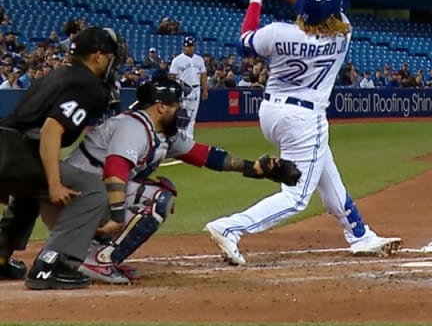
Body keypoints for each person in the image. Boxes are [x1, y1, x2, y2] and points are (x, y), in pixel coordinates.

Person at [204, 0, 402, 265]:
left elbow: (244, 42)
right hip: (305, 119)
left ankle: (360, 235)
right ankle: (231, 227)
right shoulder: (342, 35)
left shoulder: (277, 33)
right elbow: (303, 0)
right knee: (296, 196)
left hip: (271, 112)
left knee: (326, 172)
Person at [65, 79, 300, 284]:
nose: (181, 109)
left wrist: (253, 169)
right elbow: (115, 170)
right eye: (177, 104)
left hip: (89, 193)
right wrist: (117, 217)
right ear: (160, 107)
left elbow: (207, 156)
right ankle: (99, 260)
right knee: (157, 199)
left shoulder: (161, 133)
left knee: (149, 195)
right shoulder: (134, 127)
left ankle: (88, 249)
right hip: (75, 194)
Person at [0, 27, 125, 290]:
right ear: (98, 56)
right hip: (14, 153)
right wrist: (55, 184)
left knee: (30, 192)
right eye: (111, 57)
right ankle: (52, 264)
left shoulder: (59, 75)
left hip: (7, 148)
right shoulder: (88, 84)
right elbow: (51, 129)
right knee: (91, 191)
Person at [168, 35, 207, 141]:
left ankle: (189, 137)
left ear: (194, 46)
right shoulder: (177, 60)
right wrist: (174, 91)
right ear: (183, 47)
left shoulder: (199, 59)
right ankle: (180, 136)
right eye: (187, 46)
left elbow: (203, 75)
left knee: (193, 114)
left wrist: (205, 89)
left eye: (191, 46)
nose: (189, 48)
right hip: (183, 90)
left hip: (196, 89)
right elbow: (172, 77)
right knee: (182, 114)